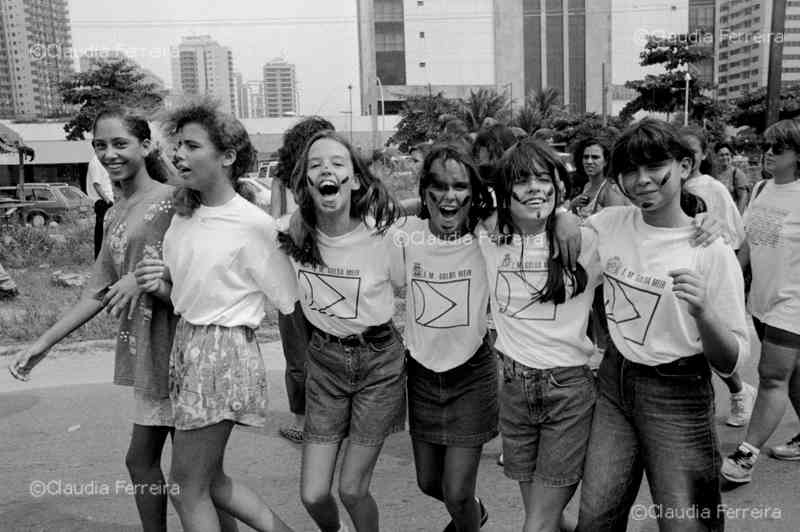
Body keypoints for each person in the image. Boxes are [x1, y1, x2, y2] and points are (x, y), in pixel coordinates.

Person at [7, 106, 235, 532]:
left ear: (146, 146)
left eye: (120, 143)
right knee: (152, 465)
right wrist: (41, 344)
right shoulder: (114, 211)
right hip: (149, 354)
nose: (109, 153)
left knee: (200, 477)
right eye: (100, 146)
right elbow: (97, 290)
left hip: (188, 350)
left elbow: (208, 264)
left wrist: (145, 278)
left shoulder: (177, 199)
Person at [576, 119, 749, 532]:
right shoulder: (611, 225)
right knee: (596, 517)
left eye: (655, 167)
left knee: (686, 523)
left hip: (678, 392)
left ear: (685, 166)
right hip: (614, 381)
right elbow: (558, 240)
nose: (642, 181)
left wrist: (705, 313)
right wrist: (566, 219)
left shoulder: (711, 251)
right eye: (630, 171)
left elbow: (732, 361)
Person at [152, 99, 298, 532]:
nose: (178, 154)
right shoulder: (184, 214)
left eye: (191, 146)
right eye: (176, 145)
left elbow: (287, 299)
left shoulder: (252, 224)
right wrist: (156, 280)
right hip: (188, 347)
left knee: (185, 486)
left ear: (227, 157)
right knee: (209, 481)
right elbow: (188, 291)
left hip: (221, 353)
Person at [278, 130, 405, 532]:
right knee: (313, 494)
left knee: (352, 489)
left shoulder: (386, 237)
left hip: (379, 363)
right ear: (305, 182)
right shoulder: (288, 234)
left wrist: (560, 218)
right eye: (315, 165)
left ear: (354, 178)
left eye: (337, 163)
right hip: (325, 364)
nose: (326, 170)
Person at [478, 138, 601, 532]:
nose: (534, 187)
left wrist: (705, 226)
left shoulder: (590, 239)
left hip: (567, 392)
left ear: (559, 185)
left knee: (537, 525)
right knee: (546, 518)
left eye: (543, 178)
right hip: (513, 389)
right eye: (522, 179)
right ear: (504, 191)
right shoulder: (489, 238)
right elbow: (433, 205)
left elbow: (651, 228)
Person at [397, 144, 496, 532]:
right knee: (428, 483)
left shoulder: (488, 238)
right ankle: (475, 512)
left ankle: (468, 517)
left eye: (459, 186)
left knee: (456, 492)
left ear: (473, 193)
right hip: (422, 373)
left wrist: (565, 219)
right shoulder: (406, 235)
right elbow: (364, 216)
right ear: (424, 192)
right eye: (438, 185)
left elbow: (537, 213)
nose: (449, 195)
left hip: (471, 374)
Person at [721, 119, 800, 484]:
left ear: (797, 155)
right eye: (766, 146)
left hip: (793, 303)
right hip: (762, 300)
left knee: (771, 377)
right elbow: (748, 242)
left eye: (778, 148)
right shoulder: (762, 189)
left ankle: (745, 455)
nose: (768, 153)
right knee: (793, 377)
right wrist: (731, 280)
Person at [681, 127, 755, 428]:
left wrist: (731, 273)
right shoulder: (666, 182)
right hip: (675, 275)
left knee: (711, 344)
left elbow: (733, 233)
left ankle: (738, 391)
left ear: (701, 155)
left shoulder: (712, 188)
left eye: (691, 151)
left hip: (707, 275)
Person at [270, 116, 335, 444]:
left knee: (309, 353)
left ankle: (309, 419)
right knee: (305, 353)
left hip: (310, 279)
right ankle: (307, 419)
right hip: (302, 278)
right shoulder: (287, 180)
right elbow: (275, 223)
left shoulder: (327, 179)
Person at [568, 137, 628, 218]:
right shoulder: (587, 186)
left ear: (606, 162)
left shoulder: (611, 190)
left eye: (595, 157)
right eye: (586, 157)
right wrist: (573, 206)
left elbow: (616, 225)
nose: (589, 161)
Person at [86, 153, 115, 258]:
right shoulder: (95, 162)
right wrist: (108, 201)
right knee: (101, 235)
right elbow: (96, 184)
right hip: (103, 202)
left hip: (109, 202)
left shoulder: (104, 161)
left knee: (109, 234)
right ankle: (99, 260)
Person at [714, 142, 750, 213]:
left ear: (731, 156)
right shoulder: (713, 173)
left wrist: (737, 219)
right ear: (716, 156)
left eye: (727, 154)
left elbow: (743, 197)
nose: (725, 157)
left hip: (732, 214)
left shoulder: (737, 174)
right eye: (721, 155)